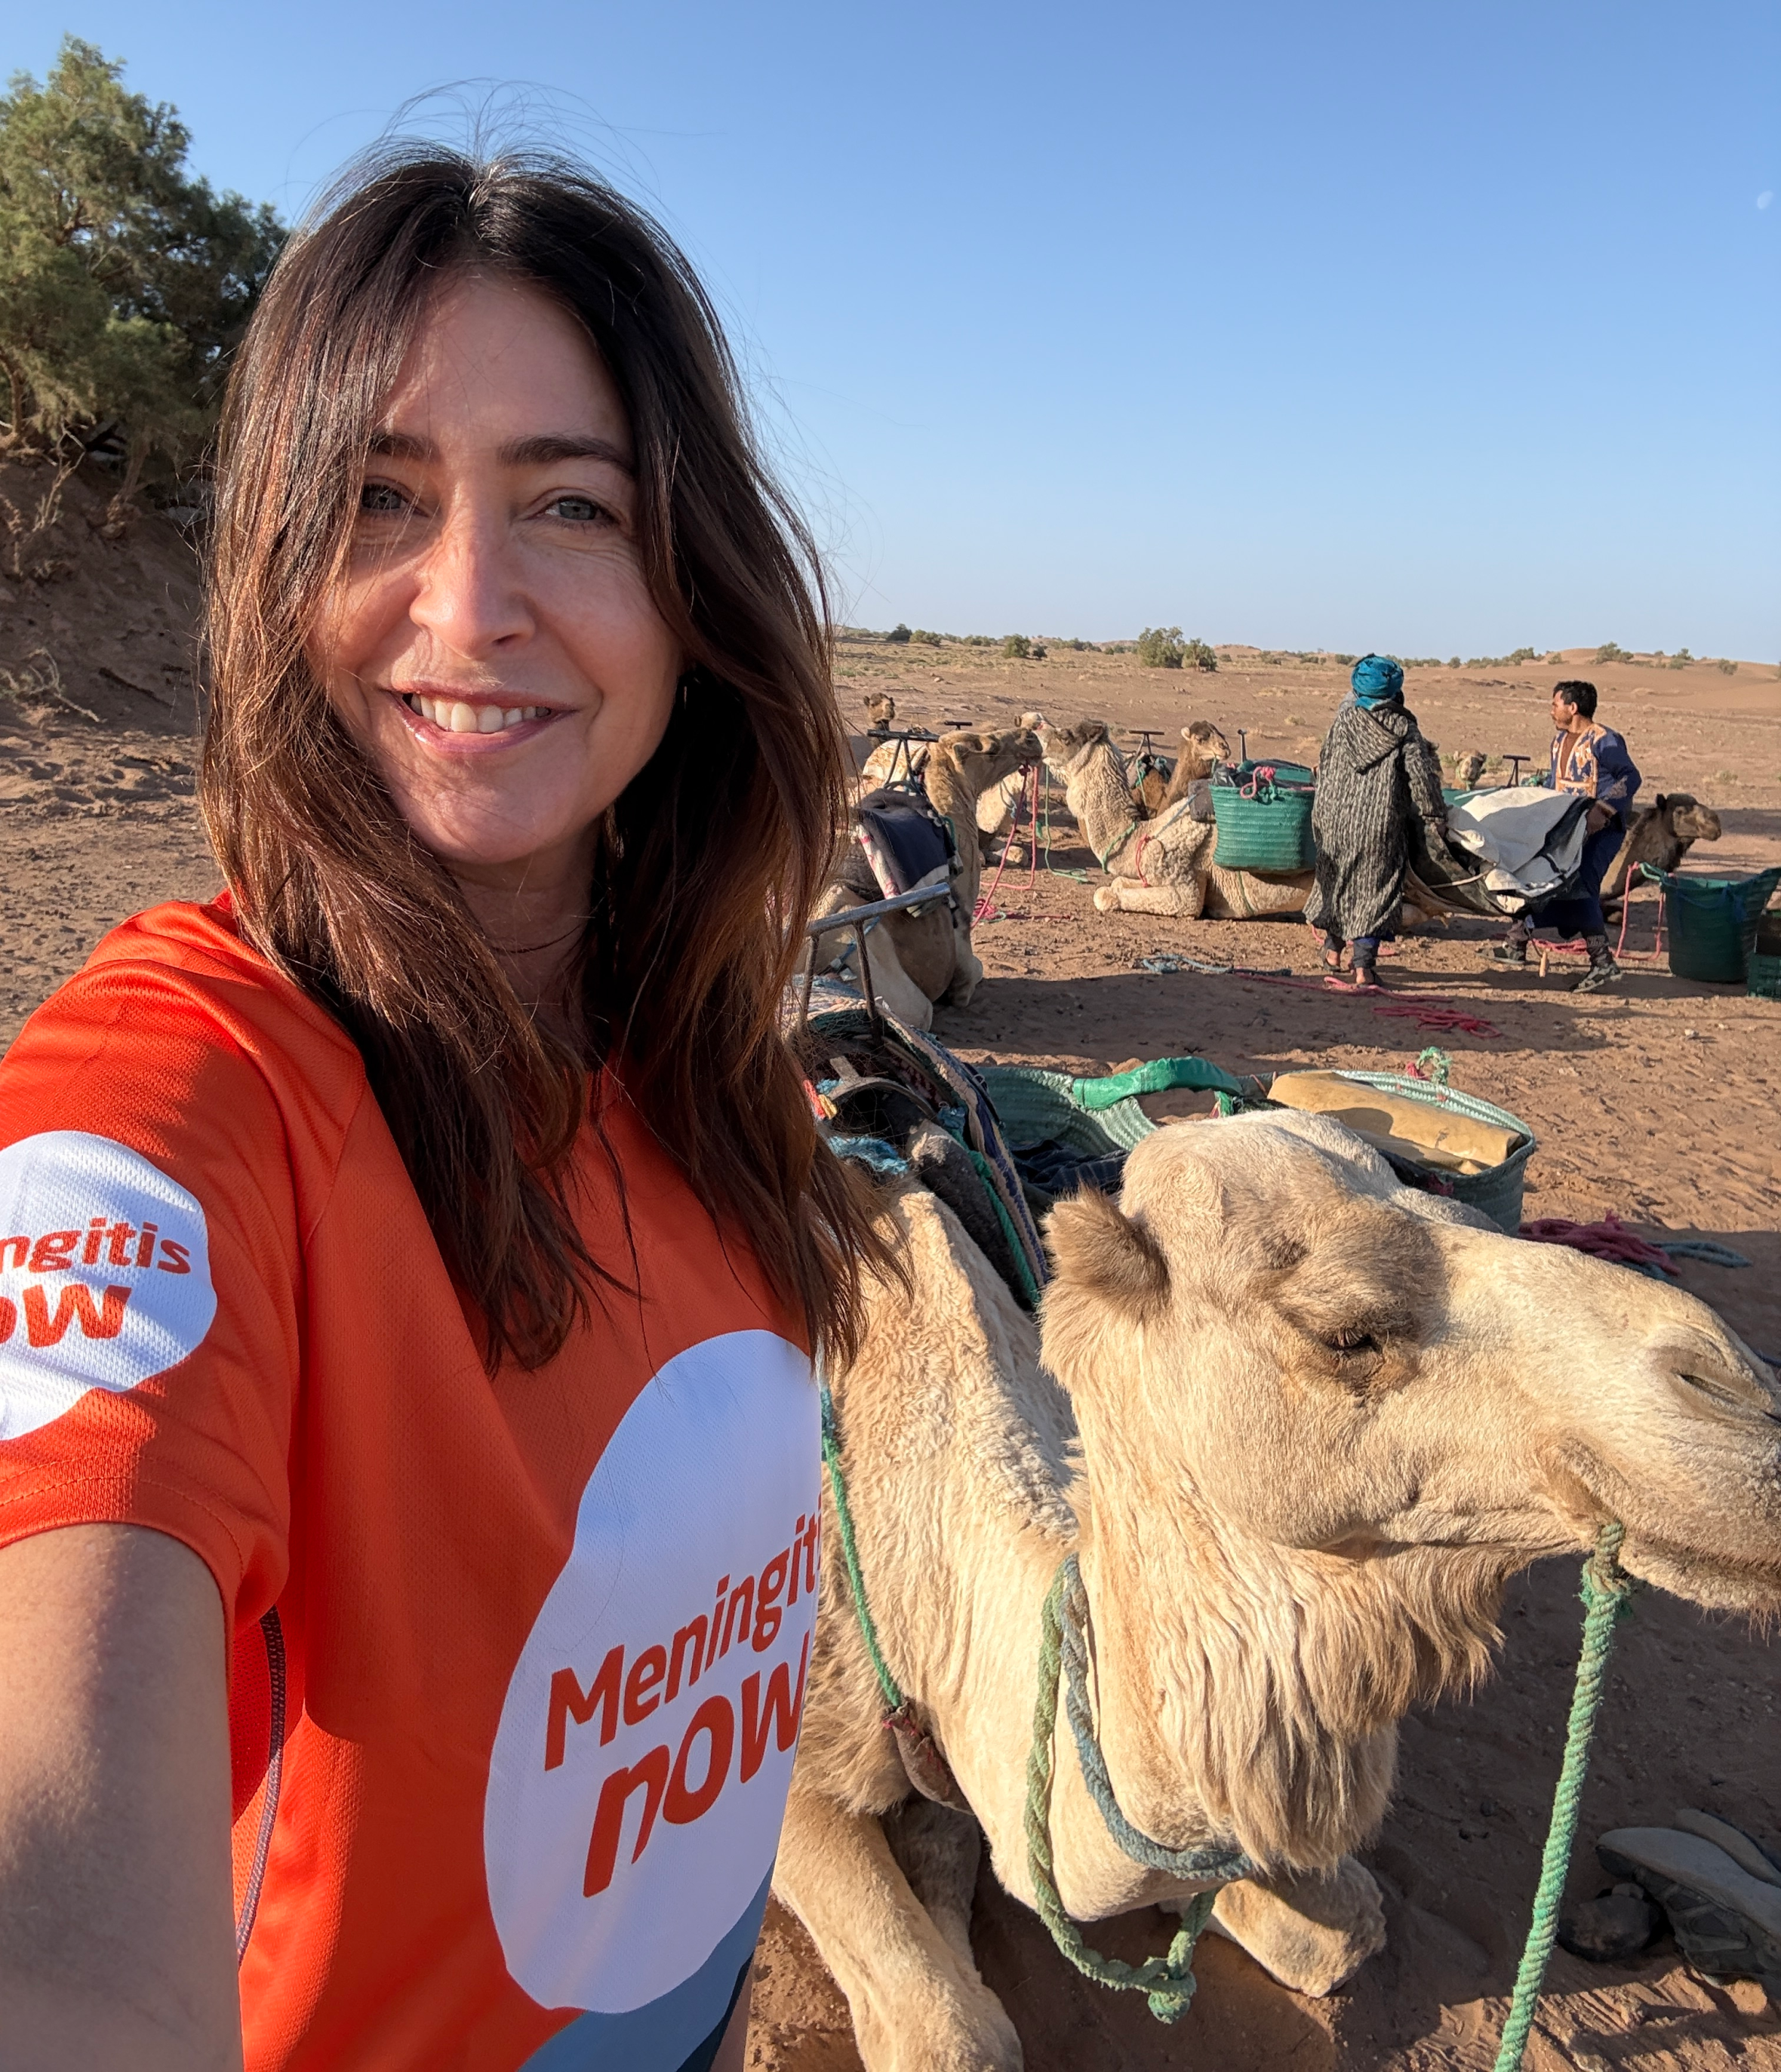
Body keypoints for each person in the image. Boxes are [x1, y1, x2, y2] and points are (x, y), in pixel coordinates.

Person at [0, 149, 890, 2072]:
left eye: (572, 502)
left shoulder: (717, 1085)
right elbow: (49, 1871)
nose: (471, 603)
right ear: (270, 571)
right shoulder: (175, 1099)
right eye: (379, 499)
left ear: (689, 588)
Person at [1489, 679, 1641, 992]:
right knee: (1537, 874)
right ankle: (1515, 944)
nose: (1551, 710)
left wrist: (1604, 809)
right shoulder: (1559, 741)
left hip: (1600, 831)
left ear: (1572, 708)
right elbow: (1557, 781)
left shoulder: (1605, 741)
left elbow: (1631, 776)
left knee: (1583, 886)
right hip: (1564, 828)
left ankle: (1603, 963)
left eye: (1554, 704)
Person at [1306, 653, 1447, 989]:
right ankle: (1364, 969)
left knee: (1337, 885)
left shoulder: (1342, 723)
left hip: (1332, 819)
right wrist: (1435, 815)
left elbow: (1324, 766)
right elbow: (1422, 777)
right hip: (1378, 823)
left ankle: (1332, 951)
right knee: (1374, 891)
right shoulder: (1404, 728)